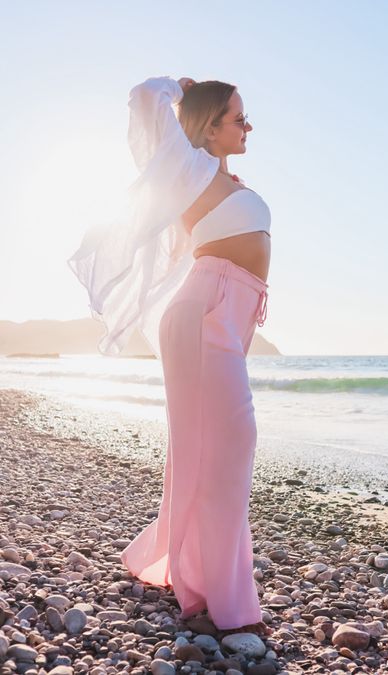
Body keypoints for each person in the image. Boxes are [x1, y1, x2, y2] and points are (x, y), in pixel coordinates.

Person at [69, 75, 272, 637]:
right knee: (230, 447)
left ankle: (171, 563)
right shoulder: (190, 168)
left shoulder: (225, 178)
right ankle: (229, 605)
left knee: (209, 451)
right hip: (205, 312)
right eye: (238, 117)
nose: (249, 125)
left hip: (228, 315)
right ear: (209, 127)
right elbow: (140, 97)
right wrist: (178, 87)